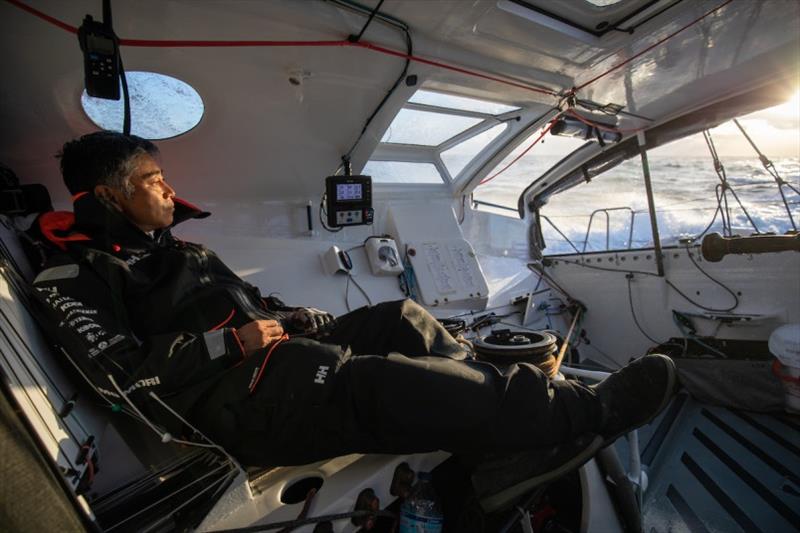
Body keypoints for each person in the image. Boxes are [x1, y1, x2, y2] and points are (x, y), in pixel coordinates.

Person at [31, 131, 676, 469]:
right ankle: (585, 415)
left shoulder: (179, 250)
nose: (171, 192)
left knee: (401, 317)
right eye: (154, 181)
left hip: (273, 359)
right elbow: (120, 383)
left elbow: (248, 298)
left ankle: (497, 406)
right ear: (109, 198)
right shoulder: (72, 278)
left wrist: (287, 314)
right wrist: (229, 341)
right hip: (231, 403)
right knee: (376, 382)